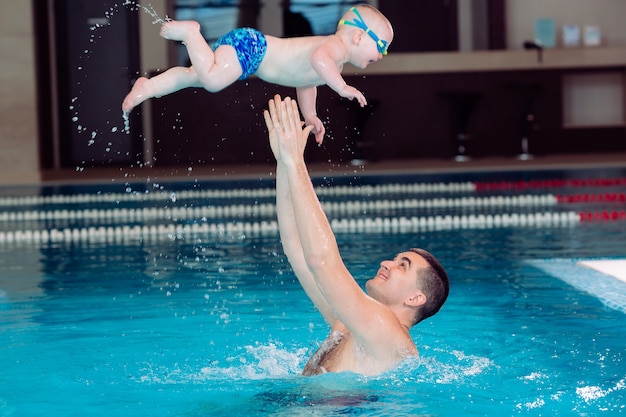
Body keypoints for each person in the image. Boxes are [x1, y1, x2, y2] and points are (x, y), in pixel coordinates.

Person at [263, 94, 450, 376]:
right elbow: (296, 249)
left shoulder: (389, 335)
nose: (388, 262)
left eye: (403, 265)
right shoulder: (348, 324)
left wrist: (297, 163)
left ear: (415, 298)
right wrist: (284, 163)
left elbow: (321, 261)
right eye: (397, 258)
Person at [122, 4, 393, 144]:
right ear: (358, 36)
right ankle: (192, 34)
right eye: (382, 46)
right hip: (253, 47)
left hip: (250, 54)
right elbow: (319, 60)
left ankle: (149, 86)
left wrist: (310, 116)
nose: (382, 54)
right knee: (212, 80)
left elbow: (306, 82)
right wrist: (343, 88)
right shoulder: (333, 49)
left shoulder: (335, 63)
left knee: (197, 75)